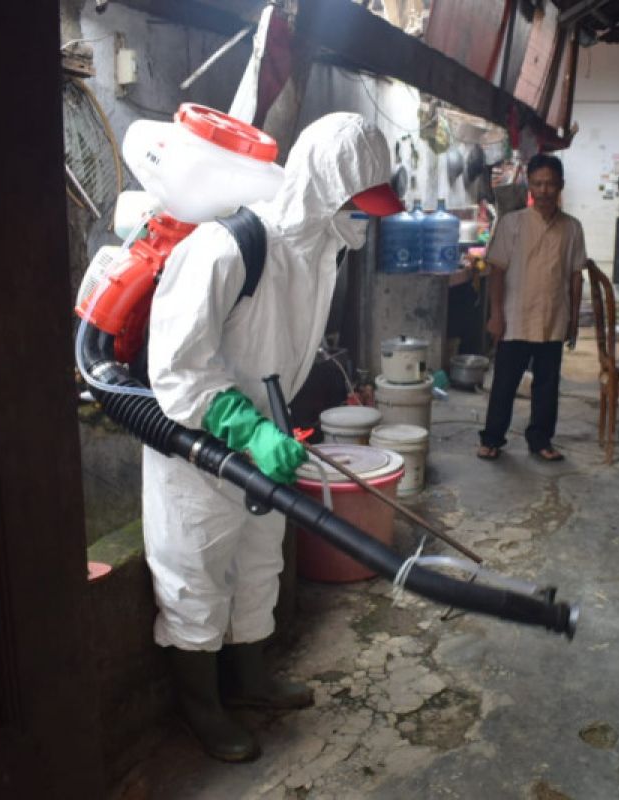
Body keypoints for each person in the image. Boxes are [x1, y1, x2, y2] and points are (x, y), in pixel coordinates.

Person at [143, 112, 402, 762]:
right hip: (200, 446)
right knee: (196, 572)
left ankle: (251, 681)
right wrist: (244, 427)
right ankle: (203, 707)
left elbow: (282, 351)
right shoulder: (230, 246)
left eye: (371, 210)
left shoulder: (324, 253)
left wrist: (278, 431)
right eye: (357, 207)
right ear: (323, 187)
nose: (364, 222)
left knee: (259, 559)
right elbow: (174, 366)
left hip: (268, 443)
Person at [477, 153, 586, 463]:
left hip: (553, 318)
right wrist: (496, 314)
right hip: (515, 317)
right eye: (538, 183)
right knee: (504, 383)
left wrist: (574, 320)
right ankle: (492, 438)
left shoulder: (572, 228)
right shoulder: (513, 224)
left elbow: (576, 276)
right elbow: (496, 271)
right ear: (530, 186)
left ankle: (540, 439)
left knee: (547, 386)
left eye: (550, 184)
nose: (544, 190)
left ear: (561, 186)